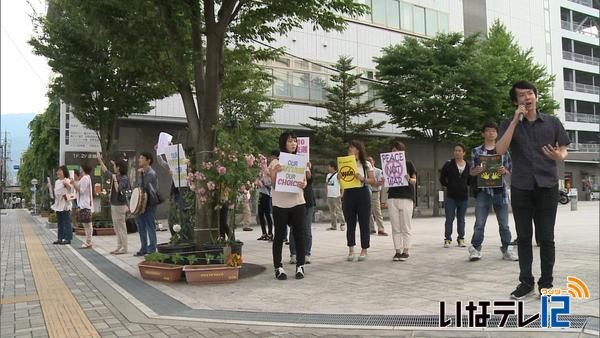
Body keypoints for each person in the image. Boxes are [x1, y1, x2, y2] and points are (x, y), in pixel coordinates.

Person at [495, 80, 570, 300]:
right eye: (521, 95)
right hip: (521, 187)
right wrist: (514, 122)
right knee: (524, 237)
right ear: (515, 101)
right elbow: (500, 149)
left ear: (536, 96)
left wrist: (559, 156)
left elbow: (563, 150)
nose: (526, 97)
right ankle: (525, 282)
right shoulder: (509, 123)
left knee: (546, 237)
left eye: (530, 93)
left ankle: (546, 283)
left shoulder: (552, 122)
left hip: (547, 187)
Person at [467, 122, 518, 262]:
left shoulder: (503, 151)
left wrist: (504, 171)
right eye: (487, 131)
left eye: (493, 131)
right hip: (483, 190)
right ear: (483, 133)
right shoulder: (476, 151)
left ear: (497, 134)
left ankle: (507, 249)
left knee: (504, 223)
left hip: (500, 191)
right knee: (479, 222)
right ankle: (475, 249)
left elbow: (510, 170)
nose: (490, 133)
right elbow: (471, 171)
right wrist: (475, 171)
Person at [269, 131, 307, 280]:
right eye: (290, 141)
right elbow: (273, 185)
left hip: (298, 202)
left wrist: (303, 183)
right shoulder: (275, 162)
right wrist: (276, 173)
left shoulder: (300, 161)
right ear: (283, 143)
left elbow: (304, 182)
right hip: (280, 204)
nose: (293, 144)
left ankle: (300, 266)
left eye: (295, 141)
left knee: (299, 234)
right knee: (279, 235)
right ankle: (278, 267)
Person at [343, 140, 375, 262]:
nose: (350, 149)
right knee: (350, 222)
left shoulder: (366, 163)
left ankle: (364, 249)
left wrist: (363, 178)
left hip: (363, 192)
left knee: (364, 222)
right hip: (349, 193)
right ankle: (351, 249)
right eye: (349, 147)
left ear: (358, 149)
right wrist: (340, 177)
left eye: (352, 147)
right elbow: (342, 179)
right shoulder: (345, 162)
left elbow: (372, 180)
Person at [386, 141, 417, 261]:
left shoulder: (408, 164)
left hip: (406, 196)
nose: (395, 152)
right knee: (395, 226)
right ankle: (397, 251)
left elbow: (414, 180)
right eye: (393, 150)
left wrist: (409, 179)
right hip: (392, 197)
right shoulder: (388, 163)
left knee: (406, 225)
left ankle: (406, 250)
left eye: (397, 150)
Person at [98, 153, 130, 255]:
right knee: (117, 228)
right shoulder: (116, 176)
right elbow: (106, 171)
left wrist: (115, 178)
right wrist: (100, 160)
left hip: (120, 206)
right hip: (114, 205)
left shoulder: (124, 178)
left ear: (119, 168)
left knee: (121, 227)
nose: (114, 168)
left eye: (115, 166)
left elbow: (118, 189)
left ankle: (124, 248)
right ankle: (119, 246)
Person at [440, 143, 471, 248]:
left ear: (464, 153)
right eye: (455, 150)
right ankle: (447, 239)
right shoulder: (448, 164)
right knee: (449, 218)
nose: (457, 152)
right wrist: (448, 186)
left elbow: (470, 180)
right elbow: (442, 178)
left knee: (461, 219)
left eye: (459, 150)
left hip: (463, 197)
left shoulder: (468, 165)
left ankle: (461, 238)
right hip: (451, 197)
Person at [135, 152, 160, 256]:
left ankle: (152, 248)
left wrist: (140, 174)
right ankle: (144, 248)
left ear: (148, 160)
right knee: (141, 226)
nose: (139, 160)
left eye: (141, 158)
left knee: (150, 226)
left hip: (149, 203)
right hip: (141, 203)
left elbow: (143, 186)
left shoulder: (151, 173)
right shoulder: (143, 172)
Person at [290, 161, 315, 264]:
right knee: (293, 229)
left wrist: (307, 168)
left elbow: (309, 179)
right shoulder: (291, 165)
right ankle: (293, 253)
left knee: (306, 229)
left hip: (307, 202)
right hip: (293, 201)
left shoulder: (307, 166)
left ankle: (306, 253)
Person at [51, 166, 74, 245]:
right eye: (58, 171)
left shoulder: (67, 180)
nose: (58, 172)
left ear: (64, 172)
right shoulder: (57, 182)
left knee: (66, 222)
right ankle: (60, 238)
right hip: (58, 204)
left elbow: (71, 190)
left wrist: (67, 184)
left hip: (65, 204)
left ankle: (68, 238)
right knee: (60, 222)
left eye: (60, 171)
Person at [257, 151, 276, 241]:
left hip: (267, 194)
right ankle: (263, 233)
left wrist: (264, 183)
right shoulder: (261, 172)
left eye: (262, 162)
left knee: (267, 214)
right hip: (261, 193)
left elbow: (270, 182)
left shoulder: (268, 170)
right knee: (260, 214)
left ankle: (270, 233)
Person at [74, 164, 94, 248]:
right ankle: (88, 241)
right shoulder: (86, 178)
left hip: (85, 204)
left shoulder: (85, 178)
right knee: (87, 224)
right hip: (84, 203)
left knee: (87, 224)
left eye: (81, 168)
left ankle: (88, 242)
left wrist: (73, 184)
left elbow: (81, 190)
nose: (80, 169)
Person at [367, 156, 388, 236]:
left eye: (370, 161)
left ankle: (381, 229)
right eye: (367, 161)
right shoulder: (365, 171)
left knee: (377, 212)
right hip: (366, 192)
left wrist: (369, 181)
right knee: (368, 212)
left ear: (373, 162)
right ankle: (372, 229)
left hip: (375, 192)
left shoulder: (378, 171)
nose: (369, 162)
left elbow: (380, 182)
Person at [325, 162, 345, 231]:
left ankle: (342, 224)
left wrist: (342, 193)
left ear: (333, 167)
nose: (328, 168)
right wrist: (326, 193)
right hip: (329, 196)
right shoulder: (328, 175)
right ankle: (333, 225)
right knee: (332, 212)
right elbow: (326, 184)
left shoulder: (337, 175)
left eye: (329, 166)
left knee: (339, 210)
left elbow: (342, 184)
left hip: (336, 195)